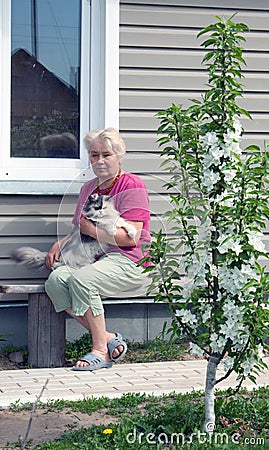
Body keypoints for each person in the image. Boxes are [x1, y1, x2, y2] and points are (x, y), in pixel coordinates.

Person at [44, 128, 151, 371]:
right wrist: (61, 244)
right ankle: (109, 338)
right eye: (94, 155)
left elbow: (128, 239)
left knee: (83, 280)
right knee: (55, 281)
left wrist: (92, 231)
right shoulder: (88, 189)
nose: (100, 161)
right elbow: (81, 229)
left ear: (119, 156)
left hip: (129, 261)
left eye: (106, 155)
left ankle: (100, 352)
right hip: (95, 259)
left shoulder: (131, 185)